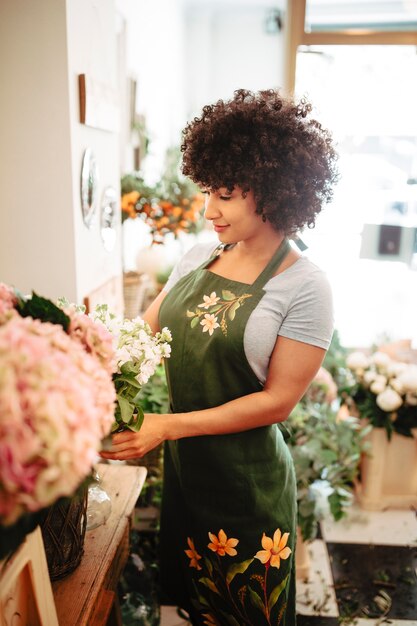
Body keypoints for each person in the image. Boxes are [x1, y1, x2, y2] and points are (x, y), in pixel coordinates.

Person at [101, 89, 338, 625]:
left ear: (275, 193)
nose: (209, 210)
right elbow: (141, 336)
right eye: (208, 190)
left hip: (247, 490)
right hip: (189, 478)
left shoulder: (306, 286)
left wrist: (166, 425)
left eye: (226, 195)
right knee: (193, 610)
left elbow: (277, 403)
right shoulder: (197, 257)